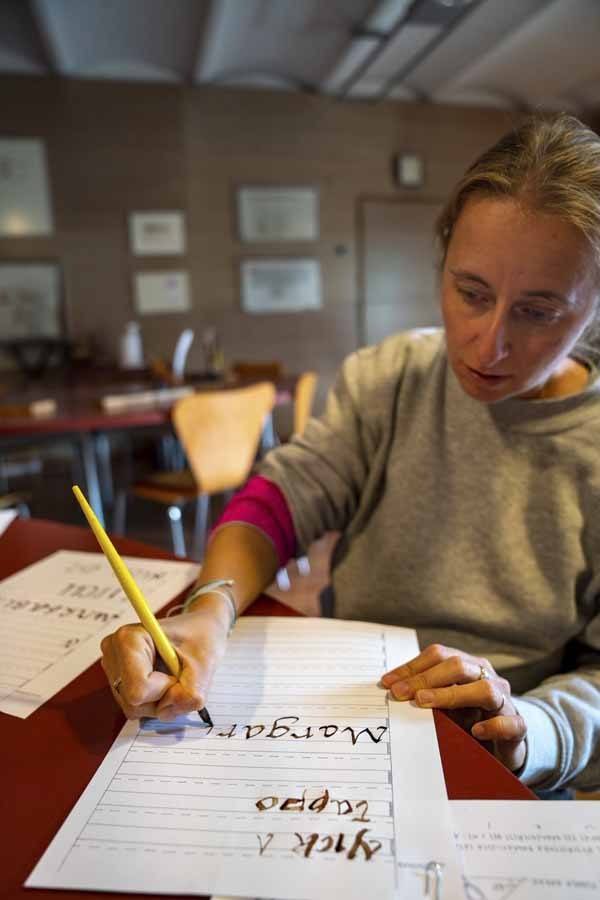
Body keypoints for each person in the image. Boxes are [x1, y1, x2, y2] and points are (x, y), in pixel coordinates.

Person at [101, 112, 600, 795]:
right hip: (345, 724)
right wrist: (210, 609)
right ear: (442, 259)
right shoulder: (395, 375)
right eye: (471, 293)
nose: (488, 346)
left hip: (503, 772)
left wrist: (524, 731)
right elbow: (283, 495)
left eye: (539, 311)